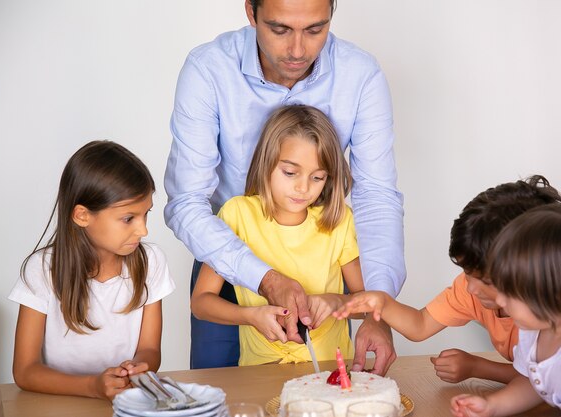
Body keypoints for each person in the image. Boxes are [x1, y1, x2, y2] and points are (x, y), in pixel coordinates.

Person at [164, 0, 404, 374]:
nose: (297, 51)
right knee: (219, 397)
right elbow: (186, 203)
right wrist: (264, 279)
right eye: (279, 29)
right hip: (225, 256)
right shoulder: (208, 69)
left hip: (321, 274)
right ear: (250, 12)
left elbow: (377, 196)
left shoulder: (361, 74)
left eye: (314, 30)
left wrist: (378, 309)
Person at [334, 176, 561, 383]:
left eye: (485, 280)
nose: (472, 288)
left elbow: (546, 385)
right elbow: (420, 325)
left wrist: (478, 367)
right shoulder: (471, 288)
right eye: (467, 272)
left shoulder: (556, 313)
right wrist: (381, 303)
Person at [190, 105, 363, 365]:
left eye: (317, 177)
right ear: (267, 162)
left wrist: (336, 302)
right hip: (260, 371)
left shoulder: (339, 221)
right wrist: (251, 316)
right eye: (290, 173)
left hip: (331, 372)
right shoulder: (237, 215)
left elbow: (370, 303)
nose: (303, 187)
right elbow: (201, 303)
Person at [8, 140, 175, 400]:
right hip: (58, 406)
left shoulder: (151, 262)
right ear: (82, 215)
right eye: (129, 218)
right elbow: (25, 371)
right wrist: (93, 387)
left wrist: (138, 367)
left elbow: (150, 350)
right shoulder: (41, 270)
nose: (143, 230)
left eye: (146, 215)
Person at [450, 204, 561, 417]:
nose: (499, 299)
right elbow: (533, 383)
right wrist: (492, 405)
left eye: (510, 292)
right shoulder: (534, 331)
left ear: (555, 294)